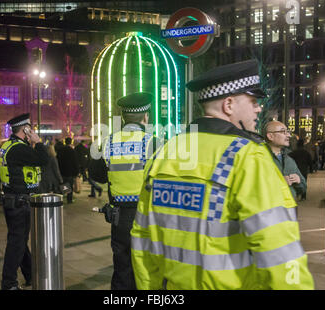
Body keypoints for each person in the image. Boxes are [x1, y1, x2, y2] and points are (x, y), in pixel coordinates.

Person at [130, 59, 314, 290]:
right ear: (228, 104)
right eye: (253, 101)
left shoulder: (165, 153)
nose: (259, 108)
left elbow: (142, 240)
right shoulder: (247, 157)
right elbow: (280, 249)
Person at [90, 92, 158, 290]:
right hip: (147, 215)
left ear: (124, 117)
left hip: (120, 217)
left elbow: (98, 175)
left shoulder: (109, 142)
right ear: (146, 116)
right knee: (146, 267)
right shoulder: (153, 142)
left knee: (122, 267)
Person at [0, 113, 49, 290]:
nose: (33, 131)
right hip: (20, 203)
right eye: (30, 128)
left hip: (12, 200)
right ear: (26, 129)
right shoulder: (19, 148)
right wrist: (39, 142)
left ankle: (29, 274)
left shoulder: (8, 146)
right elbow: (44, 159)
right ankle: (9, 283)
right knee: (16, 243)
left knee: (19, 241)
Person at [264, 121, 307, 202]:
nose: (288, 135)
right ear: (270, 136)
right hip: (269, 211)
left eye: (288, 132)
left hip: (289, 211)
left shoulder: (289, 159)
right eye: (283, 132)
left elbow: (303, 188)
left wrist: (299, 181)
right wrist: (279, 182)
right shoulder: (260, 157)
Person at [56, 137, 79, 203]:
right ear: (71, 142)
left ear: (65, 142)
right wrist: (76, 172)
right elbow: (75, 162)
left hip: (62, 170)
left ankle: (62, 198)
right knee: (70, 185)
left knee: (64, 184)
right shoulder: (72, 150)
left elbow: (57, 160)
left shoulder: (60, 150)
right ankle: (69, 199)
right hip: (70, 171)